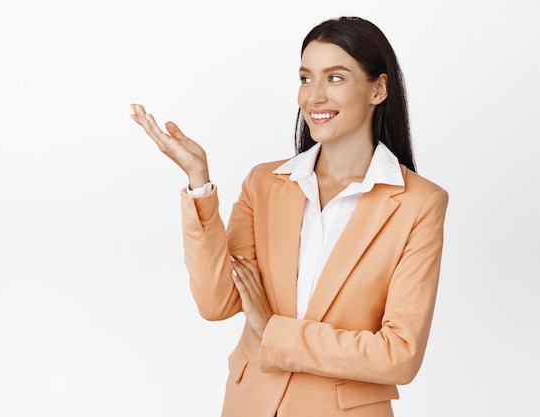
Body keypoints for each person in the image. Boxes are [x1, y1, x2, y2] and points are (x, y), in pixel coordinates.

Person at [130, 16, 448, 417]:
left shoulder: (420, 204)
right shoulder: (265, 183)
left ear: (378, 89)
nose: (314, 96)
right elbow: (216, 302)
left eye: (335, 78)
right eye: (305, 77)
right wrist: (198, 182)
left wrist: (274, 331)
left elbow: (399, 355)